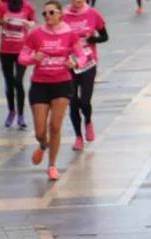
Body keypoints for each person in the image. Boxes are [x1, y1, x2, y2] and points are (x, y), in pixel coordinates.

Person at [21, 1, 82, 181]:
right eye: (45, 13)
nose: (48, 16)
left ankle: (52, 165)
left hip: (62, 83)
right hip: (40, 85)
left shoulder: (69, 34)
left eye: (52, 12)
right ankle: (43, 145)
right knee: (40, 131)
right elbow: (22, 57)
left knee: (55, 126)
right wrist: (34, 58)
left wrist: (75, 63)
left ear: (60, 14)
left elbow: (82, 54)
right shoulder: (35, 34)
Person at [62, 0, 108, 151]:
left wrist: (92, 39)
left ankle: (88, 121)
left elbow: (105, 36)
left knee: (85, 100)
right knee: (73, 102)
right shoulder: (63, 16)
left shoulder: (93, 13)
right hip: (70, 64)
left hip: (88, 63)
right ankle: (78, 137)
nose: (77, 1)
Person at [0, 0, 37, 128]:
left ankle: (21, 115)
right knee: (9, 82)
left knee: (18, 81)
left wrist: (28, 24)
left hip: (22, 51)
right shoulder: (3, 6)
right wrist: (2, 21)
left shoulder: (27, 6)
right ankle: (11, 111)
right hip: (6, 51)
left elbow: (32, 21)